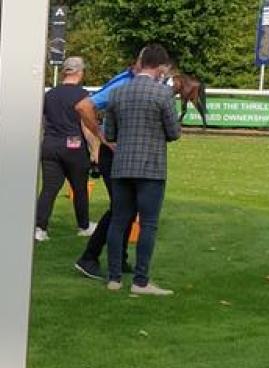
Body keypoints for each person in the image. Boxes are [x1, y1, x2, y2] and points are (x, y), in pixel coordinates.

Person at [103, 44, 180, 296]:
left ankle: (114, 278)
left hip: (122, 166)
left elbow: (110, 133)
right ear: (160, 67)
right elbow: (174, 132)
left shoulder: (117, 93)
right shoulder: (163, 94)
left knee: (118, 221)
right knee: (148, 224)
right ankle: (141, 280)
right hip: (151, 169)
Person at [74, 56, 143, 280]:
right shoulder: (122, 83)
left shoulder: (135, 81)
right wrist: (101, 136)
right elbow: (84, 106)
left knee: (128, 207)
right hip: (112, 153)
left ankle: (119, 258)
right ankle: (88, 258)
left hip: (122, 153)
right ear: (139, 64)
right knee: (121, 207)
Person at [34, 57, 106, 242]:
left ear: (64, 72)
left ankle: (40, 228)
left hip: (50, 146)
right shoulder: (83, 96)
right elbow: (86, 126)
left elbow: (42, 122)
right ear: (80, 73)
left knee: (49, 189)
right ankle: (84, 226)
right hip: (74, 146)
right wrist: (95, 149)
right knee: (79, 188)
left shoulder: (49, 95)